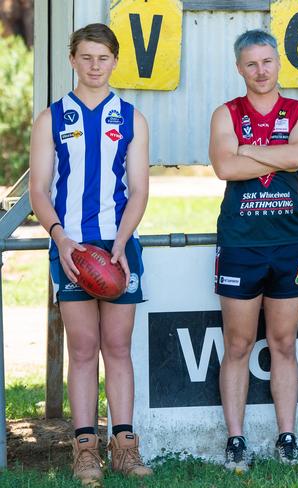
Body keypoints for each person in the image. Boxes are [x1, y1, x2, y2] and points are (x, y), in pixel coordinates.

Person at [28, 23, 152, 484]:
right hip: (72, 248)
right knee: (83, 349)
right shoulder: (52, 118)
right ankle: (84, 451)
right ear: (73, 60)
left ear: (115, 61)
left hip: (119, 247)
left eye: (103, 58)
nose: (95, 66)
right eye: (86, 57)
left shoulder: (132, 117)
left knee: (118, 348)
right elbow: (39, 191)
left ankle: (125, 447)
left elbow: (139, 189)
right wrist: (60, 239)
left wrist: (121, 242)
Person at [208, 29, 298, 471]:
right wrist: (278, 152)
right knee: (237, 344)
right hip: (240, 244)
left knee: (284, 342)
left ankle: (286, 437)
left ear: (278, 62)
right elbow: (223, 166)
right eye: (251, 64)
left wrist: (249, 151)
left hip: (288, 243)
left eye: (267, 61)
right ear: (239, 68)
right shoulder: (225, 113)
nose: (261, 71)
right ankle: (236, 440)